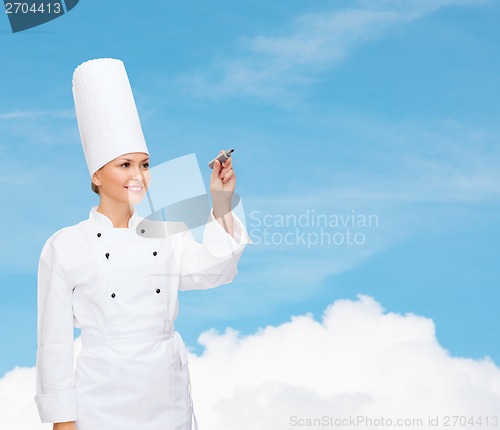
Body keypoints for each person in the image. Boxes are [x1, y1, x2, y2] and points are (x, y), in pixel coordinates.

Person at [33, 58, 251, 430]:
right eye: (125, 165)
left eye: (145, 165)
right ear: (96, 174)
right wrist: (62, 421)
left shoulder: (164, 231)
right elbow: (53, 342)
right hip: (100, 398)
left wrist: (220, 201)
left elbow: (216, 270)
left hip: (167, 391)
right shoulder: (65, 246)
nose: (139, 177)